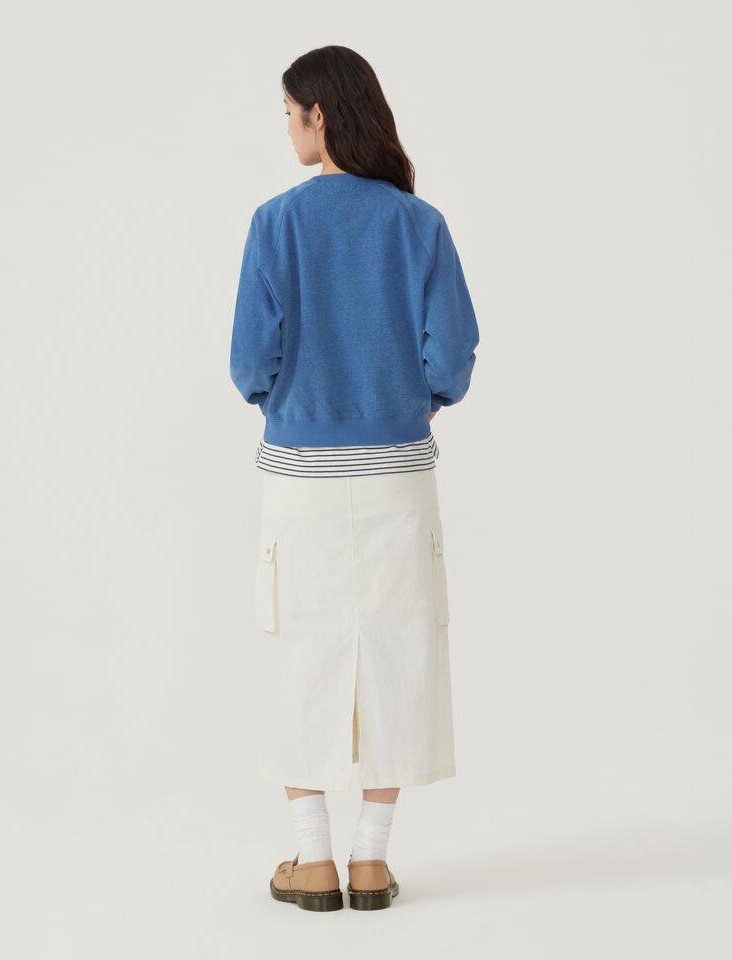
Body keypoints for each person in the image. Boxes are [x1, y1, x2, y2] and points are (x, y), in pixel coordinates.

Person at [229, 45, 479, 912]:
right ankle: (371, 860)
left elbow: (248, 360)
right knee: (398, 646)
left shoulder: (276, 222)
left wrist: (289, 400)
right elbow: (453, 353)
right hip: (398, 472)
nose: (288, 130)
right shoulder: (419, 224)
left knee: (296, 646)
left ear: (319, 115)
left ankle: (313, 859)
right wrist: (418, 398)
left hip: (299, 473)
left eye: (289, 114)